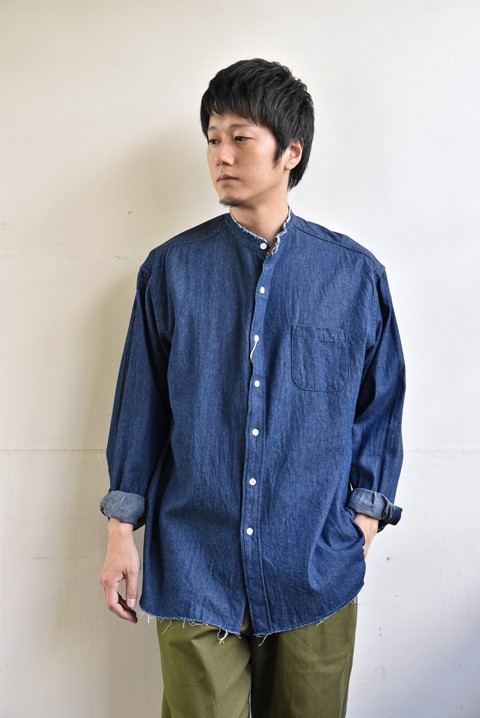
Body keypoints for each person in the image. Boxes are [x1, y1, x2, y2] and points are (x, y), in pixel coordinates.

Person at [99, 58, 406, 718]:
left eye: (241, 137)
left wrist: (363, 519)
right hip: (195, 565)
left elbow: (379, 409)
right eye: (213, 138)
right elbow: (140, 409)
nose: (221, 155)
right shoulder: (170, 272)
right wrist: (122, 530)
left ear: (291, 151)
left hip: (312, 568)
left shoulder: (354, 277)